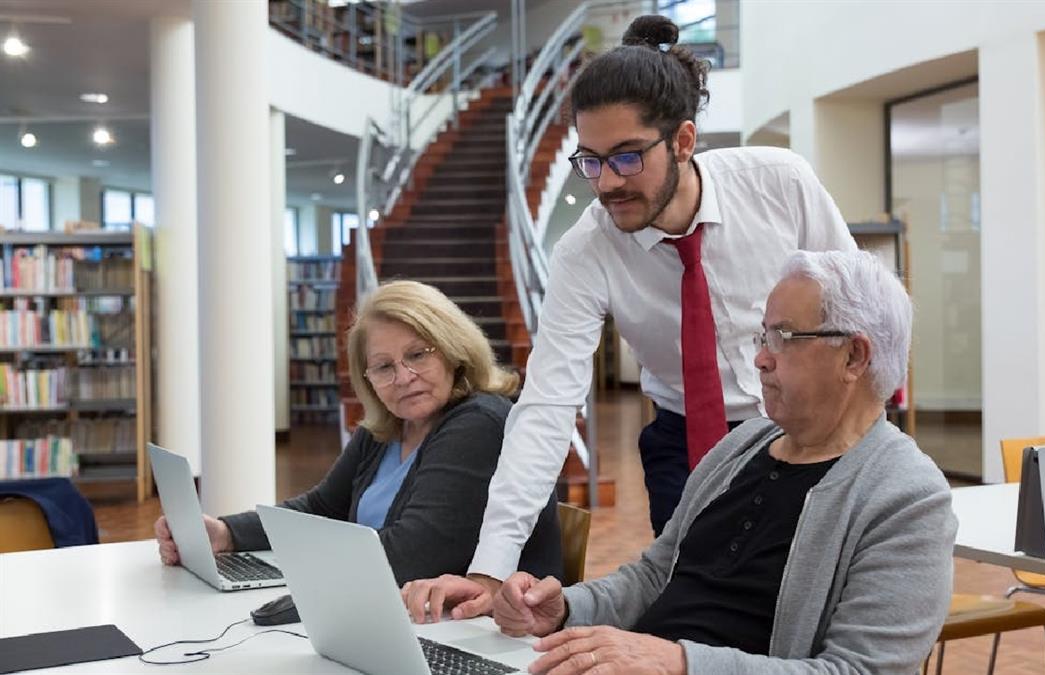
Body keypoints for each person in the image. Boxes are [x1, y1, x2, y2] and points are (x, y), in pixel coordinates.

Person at [454, 13, 856, 608]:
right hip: (683, 439)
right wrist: (491, 566)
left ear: (684, 141)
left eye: (625, 157)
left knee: (811, 604)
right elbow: (547, 406)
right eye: (589, 160)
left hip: (805, 424)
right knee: (697, 604)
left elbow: (862, 315)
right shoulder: (585, 251)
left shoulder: (780, 184)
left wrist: (872, 438)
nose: (606, 183)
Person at [435, 249, 956, 674]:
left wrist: (678, 662)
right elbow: (655, 576)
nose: (760, 357)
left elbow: (859, 672)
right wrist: (568, 607)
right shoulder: (742, 446)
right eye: (763, 335)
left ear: (854, 357)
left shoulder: (905, 496)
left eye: (783, 337)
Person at [153, 280, 562, 585]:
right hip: (403, 616)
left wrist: (296, 572)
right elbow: (320, 508)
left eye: (418, 354)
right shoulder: (387, 428)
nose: (404, 377)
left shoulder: (479, 422)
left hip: (487, 638)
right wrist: (226, 532)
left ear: (454, 350)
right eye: (384, 366)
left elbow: (412, 554)